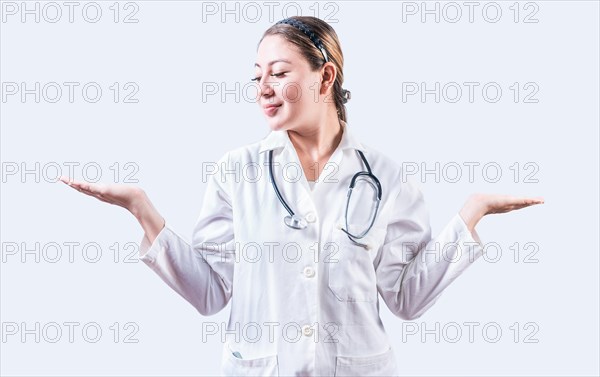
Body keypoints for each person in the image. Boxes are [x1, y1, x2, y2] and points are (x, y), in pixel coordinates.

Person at [59, 16, 544, 377]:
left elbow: (407, 299)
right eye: (257, 75)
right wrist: (141, 209)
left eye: (279, 72)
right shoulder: (237, 170)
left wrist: (471, 214)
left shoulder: (386, 175)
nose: (263, 88)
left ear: (325, 78)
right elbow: (210, 294)